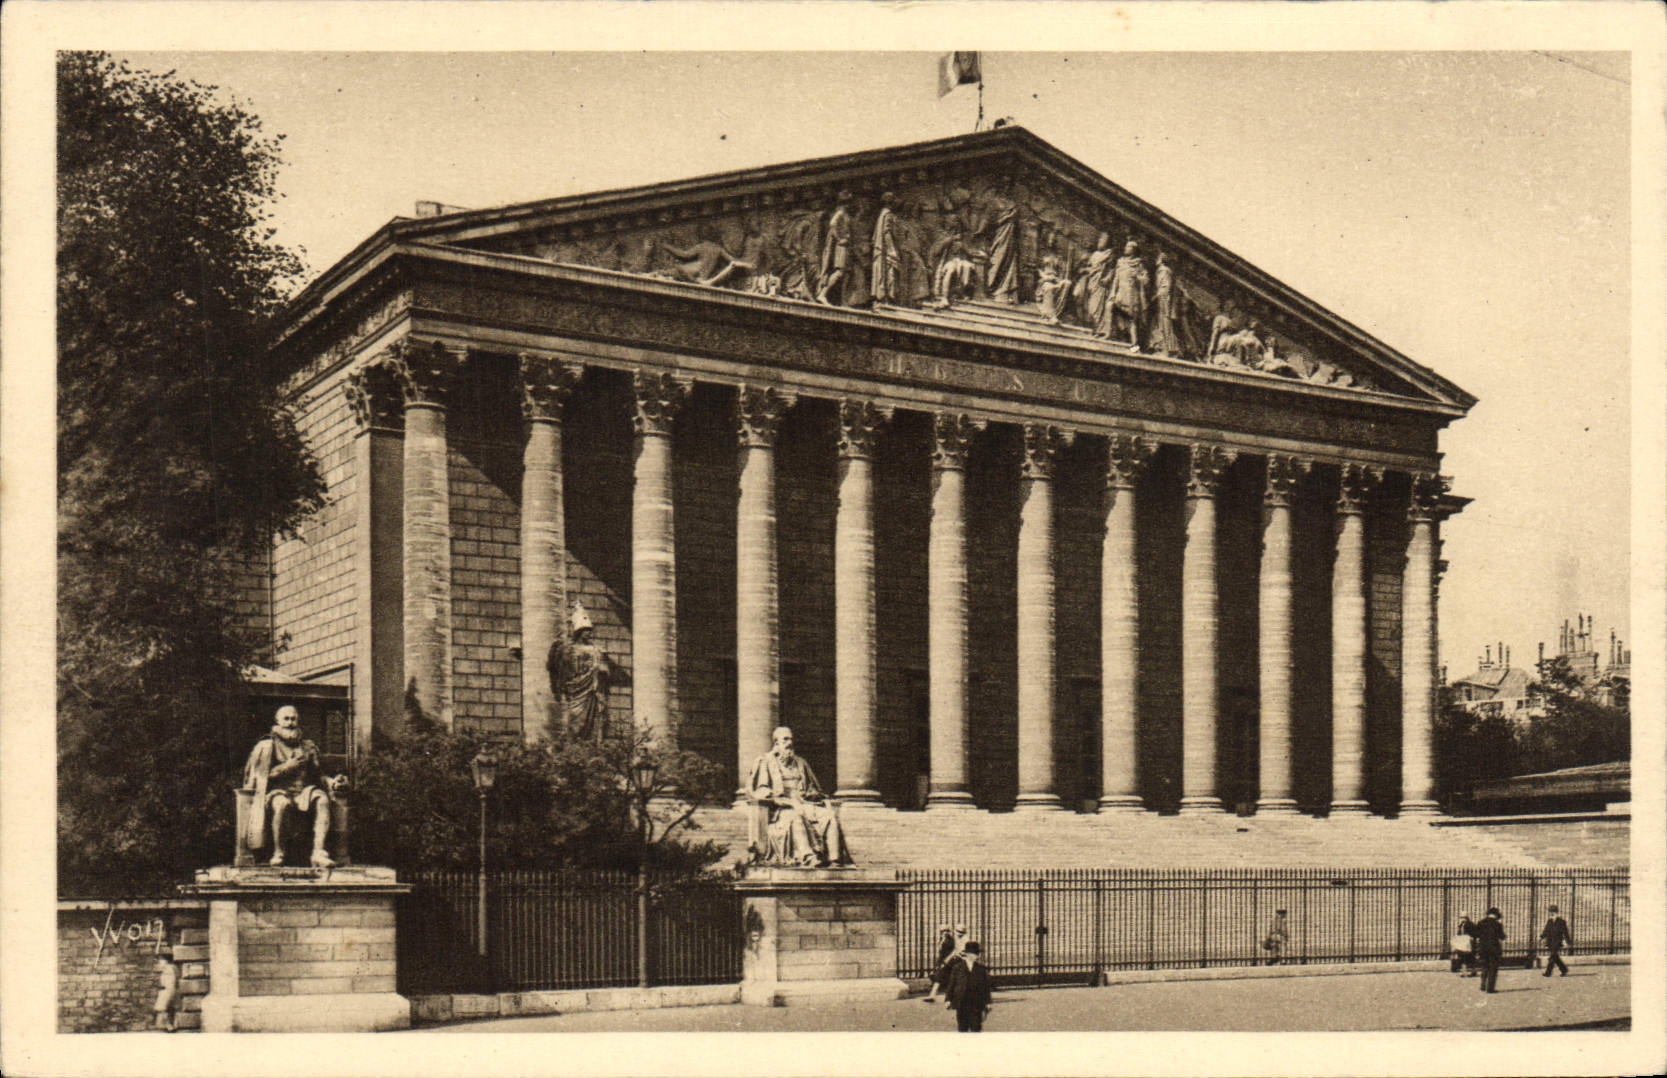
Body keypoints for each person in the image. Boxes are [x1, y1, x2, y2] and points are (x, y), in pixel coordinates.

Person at [242, 706, 342, 868]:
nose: (290, 723)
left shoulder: (308, 746)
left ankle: (318, 853)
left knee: (322, 799)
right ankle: (278, 852)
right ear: (278, 721)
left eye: (293, 719)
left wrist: (333, 782)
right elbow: (260, 776)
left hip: (303, 792)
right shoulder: (267, 746)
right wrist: (287, 766)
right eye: (286, 719)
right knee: (282, 804)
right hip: (278, 792)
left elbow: (319, 775)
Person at [747, 726, 853, 867]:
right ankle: (808, 857)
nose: (789, 742)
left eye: (790, 739)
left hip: (804, 803)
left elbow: (812, 788)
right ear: (776, 743)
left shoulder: (801, 763)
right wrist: (789, 802)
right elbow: (762, 790)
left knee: (829, 816)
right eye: (784, 739)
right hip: (781, 809)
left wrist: (814, 796)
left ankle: (835, 860)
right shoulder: (766, 761)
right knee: (795, 817)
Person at [547, 603, 618, 743]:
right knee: (576, 719)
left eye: (590, 630)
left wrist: (601, 668)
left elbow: (605, 668)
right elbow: (564, 668)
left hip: (593, 689)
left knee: (594, 718)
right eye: (585, 630)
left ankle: (591, 742)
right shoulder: (571, 649)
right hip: (577, 689)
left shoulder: (595, 649)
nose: (589, 633)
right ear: (578, 631)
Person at [1100, 240, 1150, 346]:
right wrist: (1113, 292)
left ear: (1134, 250)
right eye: (1126, 246)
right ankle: (1108, 332)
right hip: (1120, 293)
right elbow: (1116, 279)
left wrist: (1138, 277)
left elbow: (1146, 280)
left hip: (1131, 294)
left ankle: (1134, 342)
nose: (1125, 248)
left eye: (1128, 247)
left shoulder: (1138, 264)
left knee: (1131, 319)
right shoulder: (1120, 261)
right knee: (1109, 306)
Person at [944, 940, 993, 1032]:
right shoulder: (957, 968)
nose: (977, 956)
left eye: (977, 953)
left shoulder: (981, 969)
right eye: (975, 953)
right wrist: (948, 999)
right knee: (962, 1027)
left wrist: (988, 1002)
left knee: (976, 1027)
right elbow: (952, 984)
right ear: (968, 954)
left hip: (976, 1003)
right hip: (961, 1002)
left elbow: (985, 987)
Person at [816, 191, 853, 305]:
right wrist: (839, 239)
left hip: (846, 246)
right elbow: (832, 224)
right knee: (840, 272)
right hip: (841, 247)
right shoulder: (841, 213)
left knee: (845, 272)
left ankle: (844, 300)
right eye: (849, 202)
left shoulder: (844, 213)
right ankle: (823, 294)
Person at [870, 192, 902, 306]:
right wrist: (892, 250)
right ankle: (885, 299)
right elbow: (886, 232)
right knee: (888, 272)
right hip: (884, 250)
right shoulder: (888, 214)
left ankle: (883, 299)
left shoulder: (882, 214)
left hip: (879, 249)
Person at [1473, 906, 1507, 993]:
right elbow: (1502, 937)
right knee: (1493, 968)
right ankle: (1490, 988)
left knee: (1484, 966)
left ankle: (1483, 984)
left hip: (1483, 948)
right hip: (1494, 949)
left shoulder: (1481, 923)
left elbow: (1476, 934)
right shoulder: (1497, 924)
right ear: (1496, 915)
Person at [922, 924, 957, 1003]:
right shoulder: (942, 939)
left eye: (946, 931)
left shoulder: (950, 940)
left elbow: (952, 952)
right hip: (942, 961)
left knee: (939, 978)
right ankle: (950, 996)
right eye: (942, 931)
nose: (944, 932)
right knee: (947, 979)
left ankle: (932, 996)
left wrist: (945, 962)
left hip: (948, 962)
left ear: (949, 931)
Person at [1540, 905, 1573, 977]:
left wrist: (1568, 941)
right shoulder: (1549, 921)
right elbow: (1546, 931)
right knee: (1555, 957)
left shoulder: (1561, 922)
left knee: (1552, 957)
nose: (1552, 913)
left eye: (1553, 912)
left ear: (1557, 912)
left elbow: (1565, 932)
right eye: (1550, 912)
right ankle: (1564, 969)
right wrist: (1542, 937)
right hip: (1550, 942)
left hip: (1557, 942)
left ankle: (1548, 973)